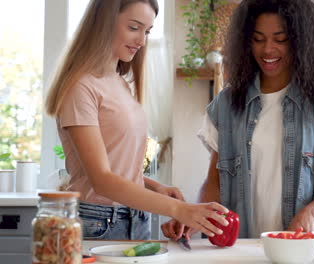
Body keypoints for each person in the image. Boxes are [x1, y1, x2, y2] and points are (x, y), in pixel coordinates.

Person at [162, 0, 314, 240]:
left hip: (301, 249)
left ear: (300, 39)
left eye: (280, 39)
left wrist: (311, 213)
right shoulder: (227, 106)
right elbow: (215, 182)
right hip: (241, 249)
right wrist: (196, 216)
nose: (267, 49)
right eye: (258, 39)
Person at [44, 0, 229, 240]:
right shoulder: (81, 87)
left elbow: (115, 166)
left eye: (148, 31)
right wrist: (181, 210)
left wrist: (155, 187)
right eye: (134, 27)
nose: (142, 41)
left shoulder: (119, 83)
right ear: (103, 23)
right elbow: (101, 180)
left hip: (134, 219)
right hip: (97, 223)